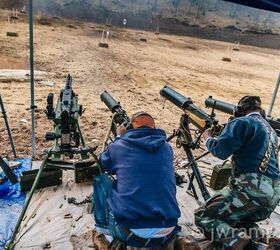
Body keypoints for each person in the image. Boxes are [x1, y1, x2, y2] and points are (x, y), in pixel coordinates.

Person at [195, 96, 280, 249]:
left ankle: (252, 247)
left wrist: (208, 138)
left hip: (252, 187)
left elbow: (220, 151)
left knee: (204, 215)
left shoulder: (242, 122)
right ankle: (266, 241)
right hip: (273, 193)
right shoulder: (271, 130)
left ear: (240, 110)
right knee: (238, 220)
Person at [93, 111, 181, 248]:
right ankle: (175, 240)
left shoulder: (119, 146)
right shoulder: (167, 148)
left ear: (129, 128)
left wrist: (118, 137)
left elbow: (104, 164)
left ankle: (106, 236)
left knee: (101, 180)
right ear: (154, 128)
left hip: (131, 233)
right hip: (168, 229)